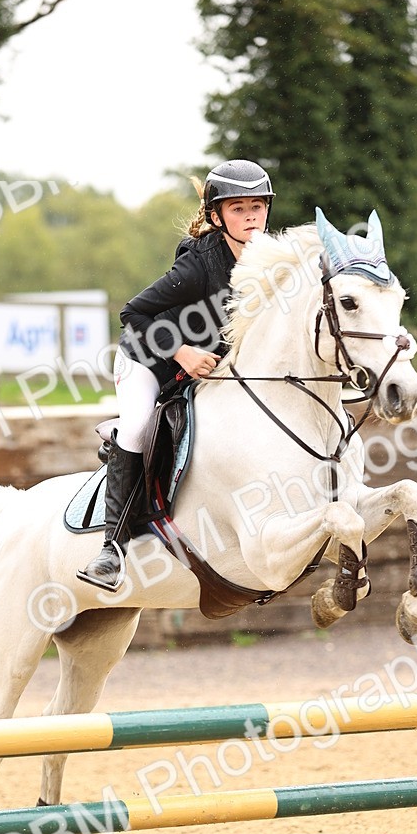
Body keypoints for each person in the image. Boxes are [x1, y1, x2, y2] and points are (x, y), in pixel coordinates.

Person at [77, 158, 276, 591]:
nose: (250, 218)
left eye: (257, 207)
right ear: (217, 215)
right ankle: (112, 549)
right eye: (238, 209)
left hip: (213, 371)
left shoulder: (270, 260)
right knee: (136, 429)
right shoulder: (199, 265)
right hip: (149, 358)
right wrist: (182, 352)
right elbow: (133, 313)